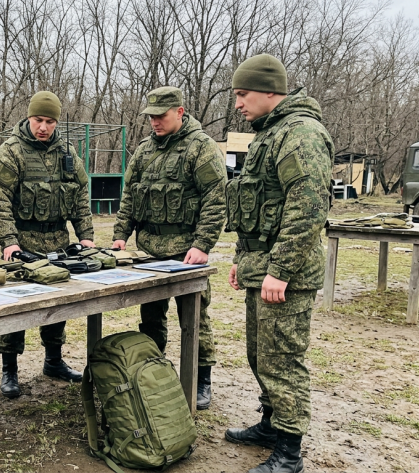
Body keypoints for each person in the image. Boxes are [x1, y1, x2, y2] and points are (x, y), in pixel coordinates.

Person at [223, 54, 333, 473]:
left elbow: (307, 210)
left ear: (269, 91)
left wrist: (280, 271)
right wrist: (243, 260)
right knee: (260, 355)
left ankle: (289, 453)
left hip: (286, 274)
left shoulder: (301, 133)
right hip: (263, 267)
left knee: (283, 361)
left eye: (242, 94)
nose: (238, 103)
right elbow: (254, 206)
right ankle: (271, 426)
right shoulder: (271, 133)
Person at [112, 86, 226, 410]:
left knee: (195, 318)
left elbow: (216, 199)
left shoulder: (200, 147)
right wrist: (121, 235)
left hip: (186, 253)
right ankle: (155, 371)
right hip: (149, 252)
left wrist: (202, 244)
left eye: (160, 116)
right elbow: (130, 196)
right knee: (150, 318)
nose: (154, 122)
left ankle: (201, 378)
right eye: (150, 117)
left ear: (179, 112)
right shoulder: (144, 151)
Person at [0, 91, 93, 398]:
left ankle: (53, 361)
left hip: (58, 241)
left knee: (58, 306)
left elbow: (80, 195)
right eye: (38, 120)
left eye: (49, 121)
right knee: (15, 308)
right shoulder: (12, 151)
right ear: (28, 117)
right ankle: (9, 369)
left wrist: (85, 236)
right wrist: (9, 242)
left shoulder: (67, 152)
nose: (43, 127)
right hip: (23, 244)